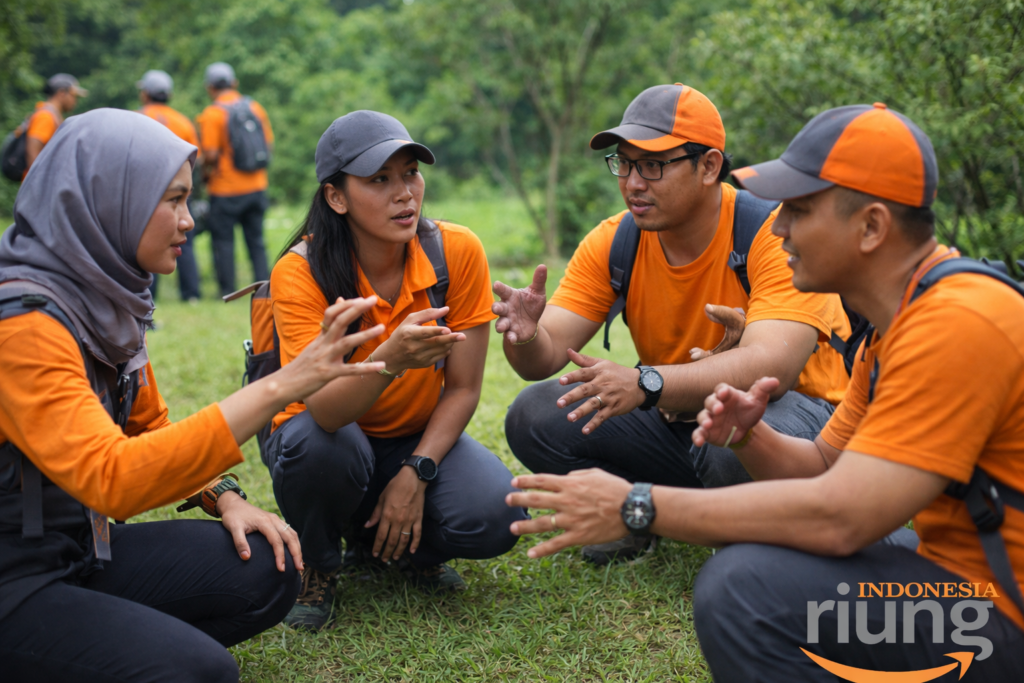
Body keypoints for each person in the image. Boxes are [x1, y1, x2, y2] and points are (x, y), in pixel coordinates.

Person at [505, 104, 1024, 681]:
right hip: (956, 579)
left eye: (799, 210)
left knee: (743, 587)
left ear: (872, 227)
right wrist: (749, 437)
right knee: (757, 568)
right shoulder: (895, 329)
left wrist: (637, 505)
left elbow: (840, 517)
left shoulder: (959, 323)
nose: (778, 227)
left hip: (996, 616)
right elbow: (823, 463)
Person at [0, 108, 389, 682]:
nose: (189, 221)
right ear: (111, 200)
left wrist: (226, 498)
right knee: (202, 673)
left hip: (77, 549)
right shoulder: (25, 324)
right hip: (14, 575)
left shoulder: (105, 301)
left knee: (270, 567)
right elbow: (112, 478)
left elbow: (150, 429)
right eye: (172, 200)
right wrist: (285, 382)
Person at [495, 83, 851, 565]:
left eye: (653, 165)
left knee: (732, 432)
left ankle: (757, 530)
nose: (633, 183)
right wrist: (526, 334)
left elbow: (774, 367)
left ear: (708, 166)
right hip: (676, 417)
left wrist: (646, 382)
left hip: (792, 421)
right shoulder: (615, 242)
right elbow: (544, 356)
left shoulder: (773, 234)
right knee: (536, 414)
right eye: (625, 163)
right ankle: (640, 515)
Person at [266, 111, 526, 631]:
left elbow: (465, 388)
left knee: (498, 516)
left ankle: (392, 546)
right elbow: (326, 410)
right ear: (336, 198)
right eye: (379, 180)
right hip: (325, 434)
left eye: (410, 173)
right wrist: (391, 361)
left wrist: (418, 471)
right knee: (322, 448)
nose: (404, 193)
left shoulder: (456, 252)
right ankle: (319, 563)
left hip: (412, 437)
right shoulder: (300, 272)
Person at [196, 62, 273, 297]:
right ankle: (264, 287)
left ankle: (228, 290)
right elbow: (268, 145)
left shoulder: (213, 114)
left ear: (210, 88)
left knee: (224, 242)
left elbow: (209, 153)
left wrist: (206, 175)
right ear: (234, 83)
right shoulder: (255, 108)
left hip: (225, 190)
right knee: (256, 241)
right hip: (257, 186)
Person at [137, 69, 201, 303]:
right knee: (185, 240)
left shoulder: (135, 117)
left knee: (145, 241)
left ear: (145, 94)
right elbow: (197, 160)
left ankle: (146, 295)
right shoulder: (182, 121)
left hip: (144, 193)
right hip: (180, 191)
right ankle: (191, 294)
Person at [23, 73, 87, 176]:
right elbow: (32, 150)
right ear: (62, 93)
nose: (75, 101)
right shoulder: (45, 116)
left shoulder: (52, 115)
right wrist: (38, 183)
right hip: (38, 187)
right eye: (74, 96)